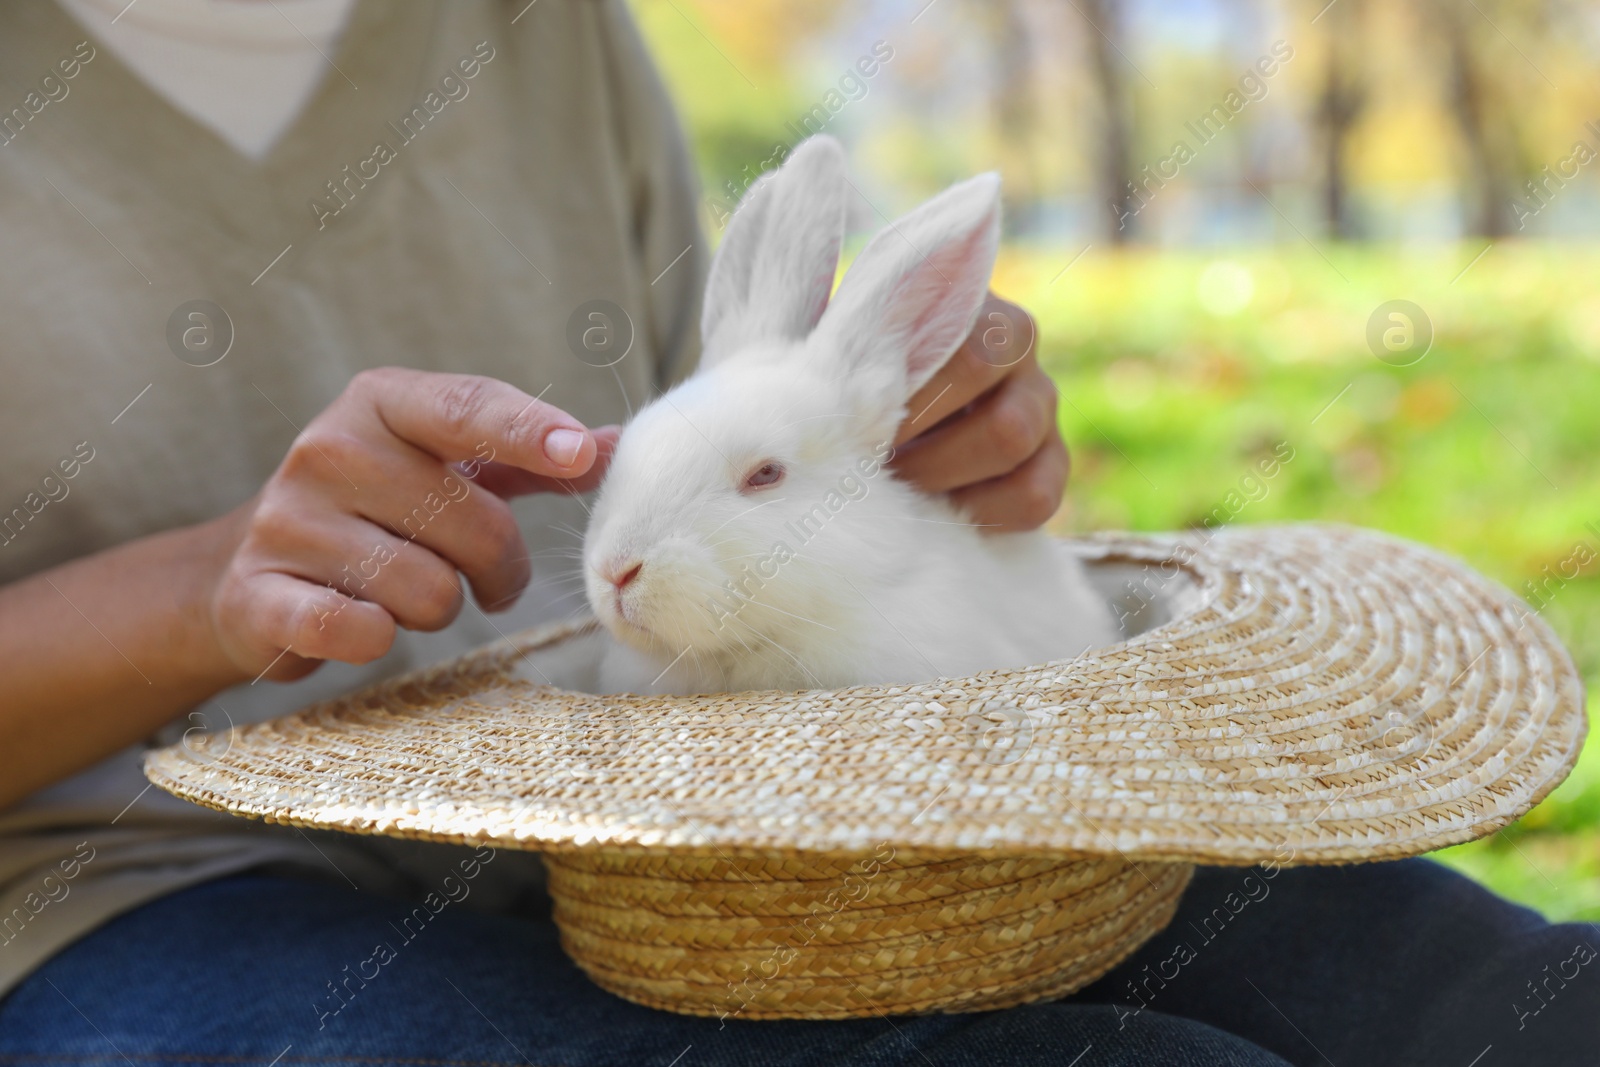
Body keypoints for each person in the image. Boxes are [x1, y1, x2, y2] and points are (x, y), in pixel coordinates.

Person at [0, 2, 1592, 1065]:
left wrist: (949, 452)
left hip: (671, 821)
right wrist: (203, 598)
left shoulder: (542, 39)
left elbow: (739, 427)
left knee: (1487, 999)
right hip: (116, 891)